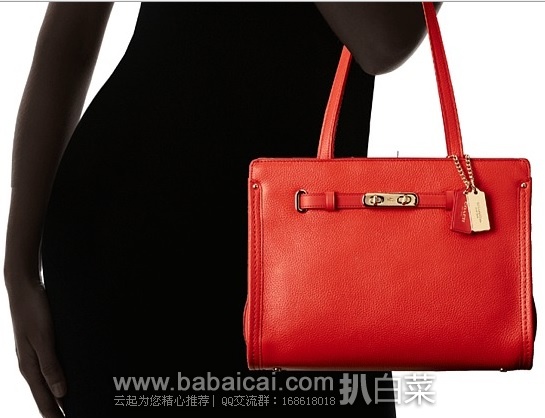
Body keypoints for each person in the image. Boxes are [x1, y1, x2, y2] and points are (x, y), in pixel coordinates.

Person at [4, 2, 441, 417]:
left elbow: (382, 39)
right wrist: (18, 269)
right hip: (125, 248)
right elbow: (73, 37)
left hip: (307, 262)